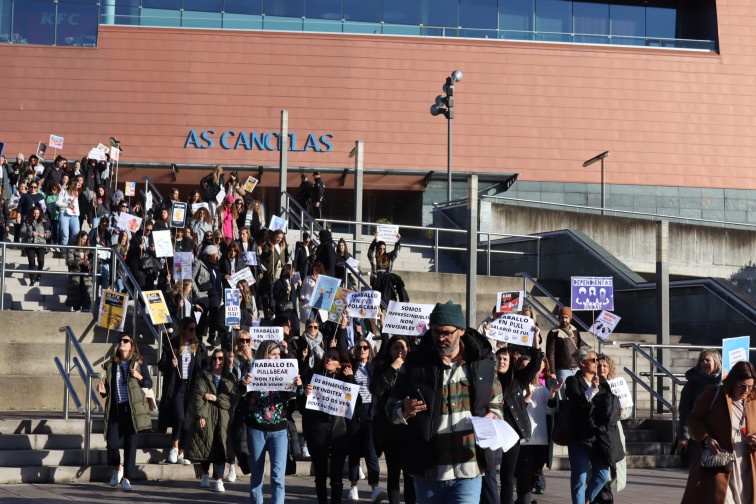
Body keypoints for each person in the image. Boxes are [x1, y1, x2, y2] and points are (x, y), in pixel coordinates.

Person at [387, 301, 503, 502]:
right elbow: (390, 407)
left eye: (447, 332)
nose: (440, 338)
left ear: (461, 331)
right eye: (435, 332)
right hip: (429, 470)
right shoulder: (416, 365)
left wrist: (493, 415)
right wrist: (403, 409)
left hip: (469, 469)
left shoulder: (481, 365)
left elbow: (497, 401)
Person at [682, 359, 756, 504]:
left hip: (747, 466)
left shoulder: (753, 400)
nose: (746, 391)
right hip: (719, 464)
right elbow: (693, 419)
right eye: (742, 386)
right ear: (733, 381)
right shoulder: (713, 394)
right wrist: (707, 438)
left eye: (750, 386)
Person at [240, 339, 303, 504]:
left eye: (278, 354)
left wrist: (298, 385)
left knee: (277, 477)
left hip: (279, 430)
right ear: (264, 354)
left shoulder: (285, 371)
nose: (277, 358)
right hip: (257, 429)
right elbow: (238, 392)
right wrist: (244, 383)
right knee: (257, 477)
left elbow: (294, 395)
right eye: (273, 354)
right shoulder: (251, 368)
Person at [492, 338, 551, 504]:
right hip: (492, 431)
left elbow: (535, 365)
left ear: (511, 362)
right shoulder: (488, 380)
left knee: (507, 474)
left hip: (511, 432)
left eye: (505, 359)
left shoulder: (517, 380)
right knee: (489, 472)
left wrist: (535, 343)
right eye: (499, 359)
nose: (501, 361)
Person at [565, 347, 624, 504]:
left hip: (598, 436)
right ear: (583, 363)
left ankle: (586, 499)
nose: (597, 363)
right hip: (580, 436)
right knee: (579, 476)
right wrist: (592, 389)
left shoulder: (602, 381)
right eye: (594, 360)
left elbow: (609, 403)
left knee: (603, 475)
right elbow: (579, 402)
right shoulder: (573, 381)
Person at [97, 333, 152, 491]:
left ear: (131, 344)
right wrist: (103, 391)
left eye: (125, 341)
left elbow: (148, 383)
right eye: (120, 340)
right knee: (112, 443)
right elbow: (108, 389)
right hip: (115, 408)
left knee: (130, 445)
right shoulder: (111, 364)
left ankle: (127, 477)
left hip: (132, 409)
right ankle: (117, 469)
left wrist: (139, 376)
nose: (122, 342)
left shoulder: (139, 362)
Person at [304, 346, 356, 504]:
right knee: (320, 476)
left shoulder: (345, 380)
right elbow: (304, 408)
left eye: (334, 358)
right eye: (328, 356)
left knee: (336, 477)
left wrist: (350, 379)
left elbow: (356, 404)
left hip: (339, 433)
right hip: (318, 432)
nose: (329, 360)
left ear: (340, 364)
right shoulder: (315, 378)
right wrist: (305, 395)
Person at [157, 317, 208, 466]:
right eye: (190, 329)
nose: (193, 332)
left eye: (195, 329)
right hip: (177, 386)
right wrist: (170, 364)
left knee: (188, 419)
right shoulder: (172, 344)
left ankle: (182, 451)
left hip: (192, 387)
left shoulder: (199, 347)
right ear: (183, 329)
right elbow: (161, 366)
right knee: (179, 417)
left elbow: (204, 367)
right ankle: (174, 446)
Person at [370, 335, 415, 504]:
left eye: (402, 347)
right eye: (395, 347)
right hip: (390, 430)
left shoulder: (413, 368)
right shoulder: (382, 368)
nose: (399, 351)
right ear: (389, 350)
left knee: (410, 475)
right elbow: (377, 389)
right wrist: (392, 368)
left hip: (409, 429)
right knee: (393, 474)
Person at [185, 347, 235, 492]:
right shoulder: (203, 376)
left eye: (220, 358)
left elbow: (229, 401)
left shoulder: (229, 377)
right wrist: (201, 416)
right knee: (205, 445)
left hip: (223, 417)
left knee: (220, 447)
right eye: (214, 358)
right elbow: (198, 397)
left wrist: (213, 397)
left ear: (225, 360)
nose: (217, 361)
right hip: (207, 414)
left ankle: (219, 479)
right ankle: (205, 474)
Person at [347, 338, 387, 503]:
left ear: (370, 350)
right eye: (359, 348)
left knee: (371, 452)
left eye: (365, 347)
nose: (362, 350)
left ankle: (375, 488)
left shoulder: (375, 367)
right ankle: (353, 487)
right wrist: (343, 328)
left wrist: (383, 327)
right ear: (354, 351)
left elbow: (385, 349)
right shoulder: (350, 367)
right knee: (354, 453)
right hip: (353, 414)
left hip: (370, 414)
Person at [516, 355, 560, 503]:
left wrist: (553, 393)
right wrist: (527, 396)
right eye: (523, 367)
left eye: (530, 367)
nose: (527, 371)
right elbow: (515, 412)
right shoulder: (515, 387)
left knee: (534, 477)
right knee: (524, 477)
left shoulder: (541, 389)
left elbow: (550, 411)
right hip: (523, 442)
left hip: (541, 440)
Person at [593, 353, 631, 504]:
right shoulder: (590, 383)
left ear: (610, 368)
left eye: (604, 366)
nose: (601, 368)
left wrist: (618, 412)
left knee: (608, 470)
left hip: (613, 432)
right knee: (600, 472)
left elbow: (627, 410)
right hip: (596, 432)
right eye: (598, 365)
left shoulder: (618, 385)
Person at [678, 349, 722, 467]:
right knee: (698, 472)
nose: (704, 363)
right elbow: (685, 411)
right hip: (698, 435)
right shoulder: (692, 384)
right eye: (702, 360)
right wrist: (684, 436)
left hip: (720, 434)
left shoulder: (725, 382)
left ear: (716, 362)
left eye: (708, 360)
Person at [546, 306, 586, 387]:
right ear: (559, 318)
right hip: (563, 369)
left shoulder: (575, 331)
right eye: (562, 317)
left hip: (577, 368)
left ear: (570, 318)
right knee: (565, 392)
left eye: (566, 317)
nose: (564, 320)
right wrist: (552, 371)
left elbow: (580, 346)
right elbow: (550, 354)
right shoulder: (553, 332)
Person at [192, 244, 224, 346]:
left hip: (214, 294)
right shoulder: (199, 264)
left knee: (215, 313)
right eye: (216, 255)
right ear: (210, 255)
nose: (217, 257)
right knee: (203, 317)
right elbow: (191, 278)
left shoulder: (216, 266)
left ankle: (211, 336)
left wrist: (221, 294)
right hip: (203, 294)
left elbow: (219, 281)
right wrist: (197, 292)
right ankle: (199, 338)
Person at [260, 229, 288, 319]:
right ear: (273, 236)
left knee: (278, 292)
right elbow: (263, 259)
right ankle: (270, 313)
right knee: (271, 294)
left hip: (280, 271)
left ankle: (276, 312)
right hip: (271, 272)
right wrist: (271, 252)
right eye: (277, 237)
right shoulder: (268, 245)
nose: (279, 239)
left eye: (281, 238)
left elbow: (284, 258)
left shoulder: (282, 246)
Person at [20, 205, 50, 286]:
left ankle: (39, 275)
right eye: (34, 213)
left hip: (41, 244)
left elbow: (49, 233)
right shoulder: (27, 221)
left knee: (41, 261)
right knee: (31, 262)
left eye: (37, 213)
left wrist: (44, 235)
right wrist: (30, 234)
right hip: (30, 244)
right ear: (31, 213)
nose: (35, 215)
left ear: (40, 213)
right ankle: (32, 280)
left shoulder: (44, 222)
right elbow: (22, 233)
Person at [367, 233, 402, 303]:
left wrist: (398, 241)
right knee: (377, 303)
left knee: (387, 301)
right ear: (377, 248)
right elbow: (370, 254)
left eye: (384, 249)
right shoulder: (374, 258)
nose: (382, 250)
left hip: (386, 282)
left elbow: (396, 252)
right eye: (380, 248)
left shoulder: (388, 257)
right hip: (377, 281)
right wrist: (375, 240)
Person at [65, 231, 93, 312]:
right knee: (76, 291)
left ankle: (86, 307)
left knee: (86, 289)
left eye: (85, 240)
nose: (84, 241)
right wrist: (81, 262)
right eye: (83, 239)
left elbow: (91, 258)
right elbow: (69, 261)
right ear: (79, 238)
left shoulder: (88, 248)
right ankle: (77, 307)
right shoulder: (73, 247)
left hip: (85, 272)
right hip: (76, 272)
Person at [56, 176, 82, 245]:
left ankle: (71, 248)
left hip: (74, 215)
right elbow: (57, 203)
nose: (78, 187)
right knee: (65, 234)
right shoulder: (63, 191)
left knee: (76, 232)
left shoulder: (76, 192)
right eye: (77, 185)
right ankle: (64, 250)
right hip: (64, 213)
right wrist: (67, 205)